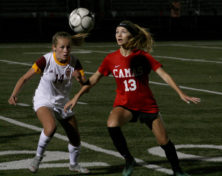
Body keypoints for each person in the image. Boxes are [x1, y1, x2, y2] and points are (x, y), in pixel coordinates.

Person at [64, 20, 200, 176]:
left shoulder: (142, 56)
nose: (119, 35)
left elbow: (164, 74)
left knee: (164, 141)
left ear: (131, 36)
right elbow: (93, 80)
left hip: (146, 105)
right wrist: (77, 94)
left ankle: (178, 171)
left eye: (123, 31)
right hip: (124, 105)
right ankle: (129, 159)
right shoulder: (111, 59)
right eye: (117, 32)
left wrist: (180, 93)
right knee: (112, 124)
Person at [8, 31, 90, 174]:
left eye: (68, 47)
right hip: (44, 99)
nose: (65, 51)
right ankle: (37, 158)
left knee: (75, 138)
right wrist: (14, 94)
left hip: (63, 102)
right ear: (54, 47)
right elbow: (25, 78)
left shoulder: (75, 62)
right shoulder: (45, 60)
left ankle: (74, 164)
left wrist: (80, 79)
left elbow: (86, 85)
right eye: (62, 47)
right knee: (51, 127)